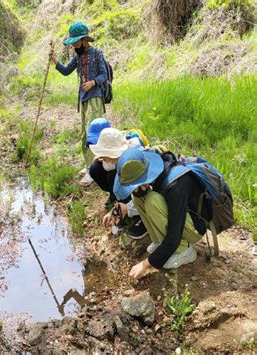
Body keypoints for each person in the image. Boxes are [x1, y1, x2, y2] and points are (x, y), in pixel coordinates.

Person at [113, 148, 210, 279]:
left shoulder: (175, 184)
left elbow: (174, 234)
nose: (136, 188)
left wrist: (146, 263)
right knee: (138, 197)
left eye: (136, 184)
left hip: (195, 227)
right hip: (181, 218)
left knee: (152, 200)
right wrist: (120, 209)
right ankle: (161, 242)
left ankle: (185, 250)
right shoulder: (156, 175)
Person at [50, 21, 107, 187]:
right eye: (72, 42)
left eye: (76, 41)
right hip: (83, 99)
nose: (74, 45)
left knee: (94, 133)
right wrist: (54, 60)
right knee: (84, 133)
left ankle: (93, 171)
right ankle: (88, 164)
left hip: (95, 97)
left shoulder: (97, 53)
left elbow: (104, 75)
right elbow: (66, 71)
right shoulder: (78, 56)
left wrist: (93, 83)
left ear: (84, 40)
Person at [89, 126, 148, 239]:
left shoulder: (134, 160)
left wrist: (126, 208)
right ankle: (121, 205)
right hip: (133, 190)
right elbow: (107, 165)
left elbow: (145, 189)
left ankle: (142, 217)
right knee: (95, 167)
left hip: (144, 194)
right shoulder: (115, 157)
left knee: (113, 176)